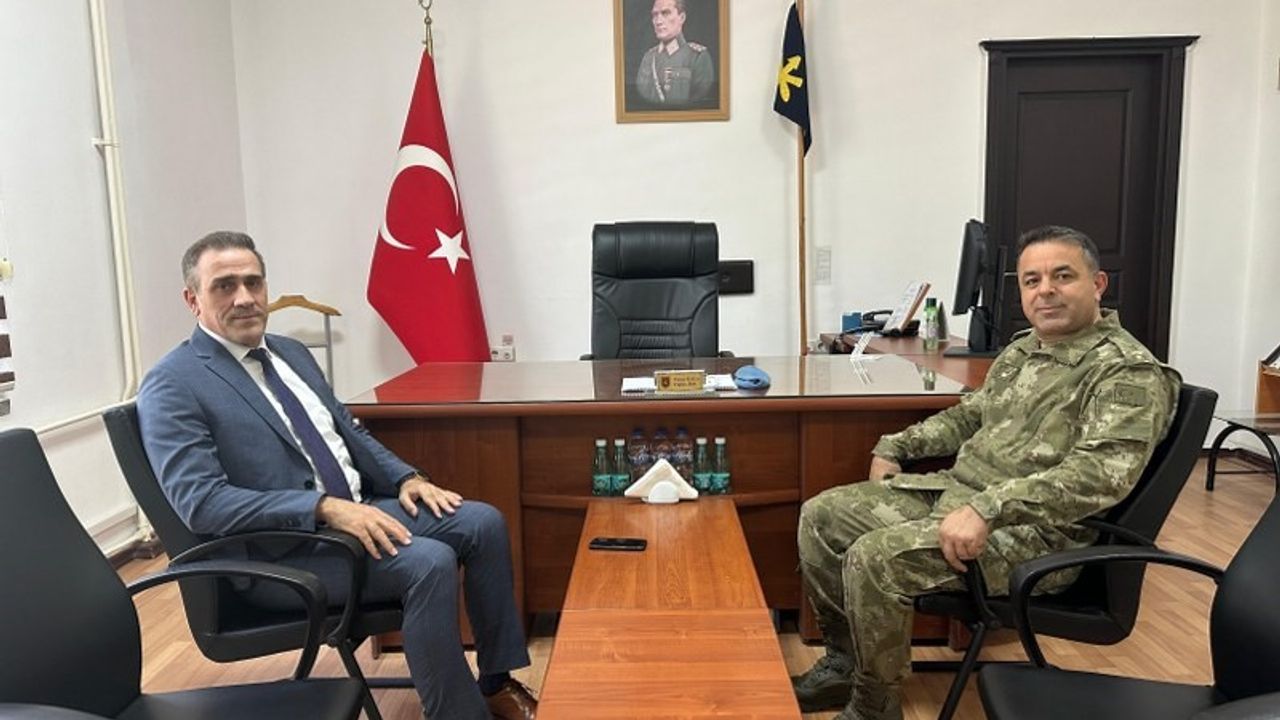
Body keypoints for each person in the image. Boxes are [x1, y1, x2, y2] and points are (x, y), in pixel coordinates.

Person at [137, 231, 536, 720]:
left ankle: (495, 683)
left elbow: (348, 431)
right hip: (281, 553)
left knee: (482, 523)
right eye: (224, 286)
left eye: (253, 282)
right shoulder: (172, 383)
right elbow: (202, 503)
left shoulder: (290, 353)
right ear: (192, 300)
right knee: (427, 562)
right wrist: (323, 508)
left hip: (355, 513)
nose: (244, 298)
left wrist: (406, 478)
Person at [792, 226, 1182, 720]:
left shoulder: (1126, 371)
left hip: (1036, 535)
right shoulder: (1024, 350)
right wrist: (896, 445)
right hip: (962, 498)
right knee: (822, 517)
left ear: (1098, 284)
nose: (1045, 291)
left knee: (875, 558)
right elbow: (970, 416)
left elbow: (1101, 475)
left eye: (1063, 276)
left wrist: (988, 507)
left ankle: (875, 707)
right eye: (1032, 280)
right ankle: (845, 666)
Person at [635, 0, 714, 106]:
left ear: (682, 18)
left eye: (665, 13)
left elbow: (700, 101)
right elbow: (642, 96)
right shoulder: (648, 58)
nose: (658, 21)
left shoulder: (697, 57)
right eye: (655, 15)